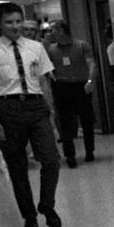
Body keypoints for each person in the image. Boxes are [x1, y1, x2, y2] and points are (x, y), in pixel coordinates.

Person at [0, 2, 62, 227]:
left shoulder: (36, 47)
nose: (15, 26)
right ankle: (29, 216)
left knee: (51, 159)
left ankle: (47, 205)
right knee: (17, 165)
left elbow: (43, 81)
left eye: (18, 21)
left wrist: (49, 112)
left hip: (36, 106)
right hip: (7, 108)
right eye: (9, 22)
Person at [46, 20, 98, 167]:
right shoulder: (51, 49)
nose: (49, 34)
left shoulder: (81, 45)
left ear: (61, 30)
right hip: (61, 87)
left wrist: (90, 81)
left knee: (86, 120)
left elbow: (91, 63)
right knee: (65, 123)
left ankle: (89, 151)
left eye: (52, 30)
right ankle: (70, 155)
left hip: (80, 86)